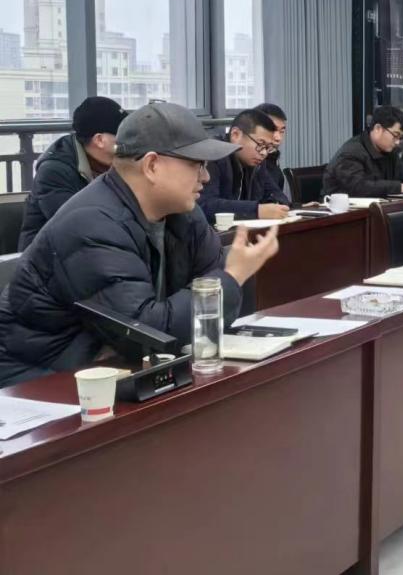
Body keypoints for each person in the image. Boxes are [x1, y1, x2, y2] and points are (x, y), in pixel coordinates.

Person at [0, 102, 279, 386]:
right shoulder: (92, 224)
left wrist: (223, 283)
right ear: (152, 165)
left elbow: (206, 312)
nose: (205, 177)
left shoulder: (184, 212)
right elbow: (146, 334)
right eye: (196, 165)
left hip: (111, 367)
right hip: (38, 378)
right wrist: (232, 276)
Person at [18, 96, 125, 249]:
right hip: (47, 257)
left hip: (89, 250)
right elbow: (78, 226)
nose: (127, 142)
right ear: (99, 140)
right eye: (122, 136)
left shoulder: (112, 164)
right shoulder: (54, 171)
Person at [199, 109, 291, 223]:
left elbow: (276, 194)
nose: (264, 153)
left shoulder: (257, 161)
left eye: (268, 147)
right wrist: (257, 210)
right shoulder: (214, 155)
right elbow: (205, 205)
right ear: (235, 135)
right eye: (261, 144)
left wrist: (277, 206)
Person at [323, 106, 403, 198]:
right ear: (378, 128)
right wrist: (400, 187)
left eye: (401, 138)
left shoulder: (389, 150)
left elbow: (402, 173)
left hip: (378, 206)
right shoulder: (351, 153)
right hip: (342, 211)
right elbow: (359, 187)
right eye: (395, 135)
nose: (398, 142)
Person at [254, 102, 289, 195]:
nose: (278, 138)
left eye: (282, 131)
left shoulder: (272, 161)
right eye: (272, 130)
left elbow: (276, 198)